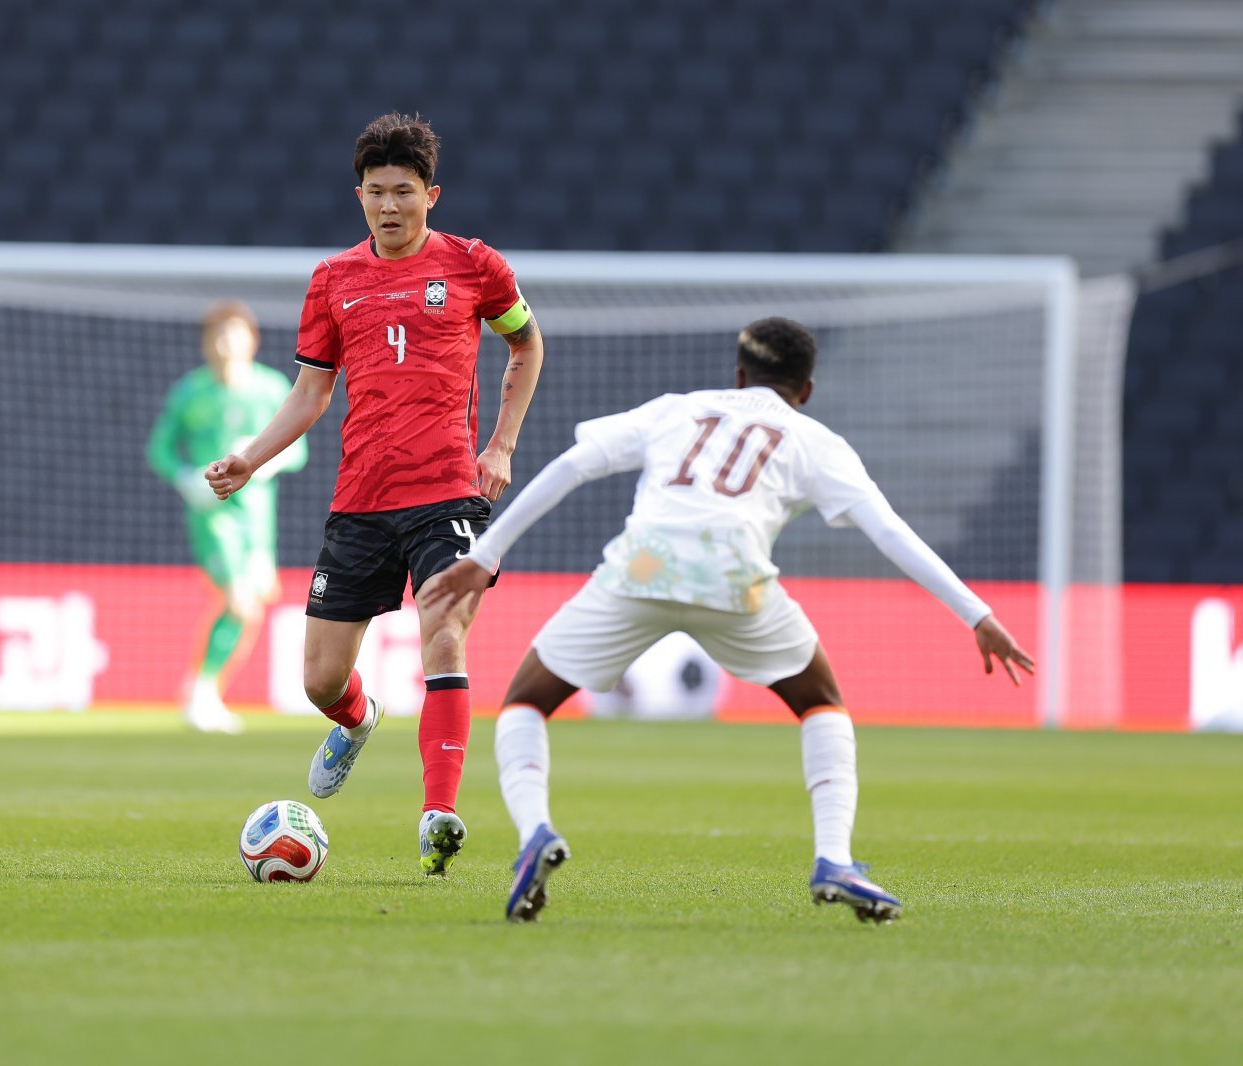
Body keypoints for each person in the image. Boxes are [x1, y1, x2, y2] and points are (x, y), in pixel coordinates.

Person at [420, 316, 1035, 922]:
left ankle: (535, 834)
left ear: (739, 375)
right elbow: (890, 532)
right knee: (821, 703)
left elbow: (574, 465)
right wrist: (976, 614)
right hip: (735, 578)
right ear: (807, 390)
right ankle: (834, 859)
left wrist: (484, 555)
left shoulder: (677, 409)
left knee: (526, 701)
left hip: (643, 566)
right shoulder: (813, 440)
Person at [205, 113, 545, 876]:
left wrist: (501, 443)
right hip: (361, 498)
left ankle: (439, 813)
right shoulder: (332, 281)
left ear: (432, 194)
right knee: (320, 678)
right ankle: (357, 723)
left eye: (404, 192)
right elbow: (309, 394)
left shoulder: (474, 266)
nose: (389, 207)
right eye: (375, 193)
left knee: (444, 637)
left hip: (448, 492)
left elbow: (525, 341)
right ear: (358, 195)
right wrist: (251, 459)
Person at [147, 300, 305, 734]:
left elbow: (299, 449)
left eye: (233, 333)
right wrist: (185, 478)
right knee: (238, 600)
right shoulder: (190, 392)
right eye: (217, 335)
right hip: (212, 513)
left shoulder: (272, 389)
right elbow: (158, 449)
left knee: (250, 609)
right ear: (205, 344)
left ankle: (204, 691)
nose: (225, 343)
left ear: (252, 340)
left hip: (257, 517)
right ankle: (201, 692)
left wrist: (263, 462)